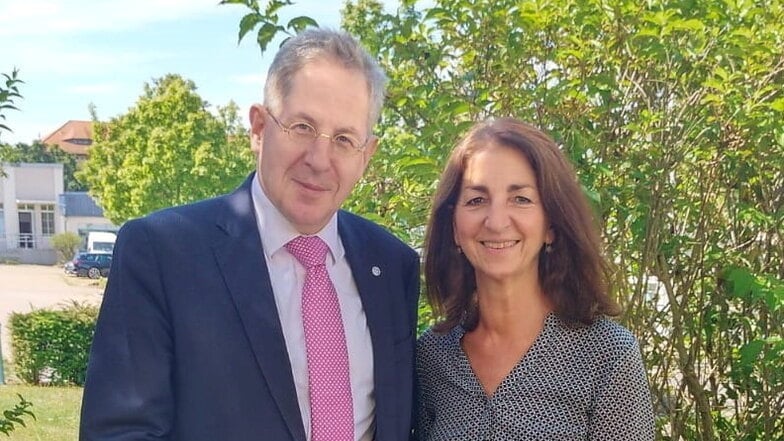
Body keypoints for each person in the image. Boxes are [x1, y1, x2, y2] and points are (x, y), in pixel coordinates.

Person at [80, 28, 420, 441]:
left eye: (345, 139)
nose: (319, 159)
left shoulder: (391, 264)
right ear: (259, 128)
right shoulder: (163, 253)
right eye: (302, 127)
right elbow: (120, 433)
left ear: (367, 156)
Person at [414, 118, 654, 440]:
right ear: (454, 226)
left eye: (521, 199)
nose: (496, 222)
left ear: (551, 224)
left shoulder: (607, 355)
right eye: (476, 200)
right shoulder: (432, 357)